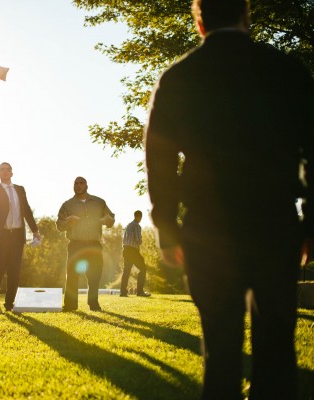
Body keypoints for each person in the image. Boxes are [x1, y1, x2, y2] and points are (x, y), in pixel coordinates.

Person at [145, 0, 314, 398]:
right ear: (246, 14)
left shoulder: (179, 77)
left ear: (199, 21)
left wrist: (167, 226)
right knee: (276, 346)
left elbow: (160, 158)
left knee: (220, 349)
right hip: (275, 223)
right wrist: (311, 222)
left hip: (208, 229)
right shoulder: (286, 71)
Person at [0, 161, 41, 312]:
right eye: (2, 169)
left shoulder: (20, 189)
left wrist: (35, 230)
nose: (5, 171)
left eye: (7, 169)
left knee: (14, 271)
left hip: (17, 235)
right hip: (2, 235)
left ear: (11, 173)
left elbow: (27, 210)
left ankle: (9, 304)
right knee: (1, 267)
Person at [56, 177, 115, 311]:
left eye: (81, 183)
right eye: (75, 183)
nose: (78, 185)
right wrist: (69, 222)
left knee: (95, 275)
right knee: (72, 275)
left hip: (94, 244)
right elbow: (59, 225)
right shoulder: (68, 205)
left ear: (87, 185)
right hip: (76, 244)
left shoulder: (99, 202)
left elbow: (111, 219)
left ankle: (93, 304)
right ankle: (70, 305)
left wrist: (108, 220)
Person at [120, 210, 151, 297]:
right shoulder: (137, 226)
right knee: (143, 268)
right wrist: (141, 239)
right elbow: (138, 240)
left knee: (126, 271)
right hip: (133, 250)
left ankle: (123, 292)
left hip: (126, 250)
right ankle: (140, 291)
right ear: (139, 217)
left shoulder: (128, 225)